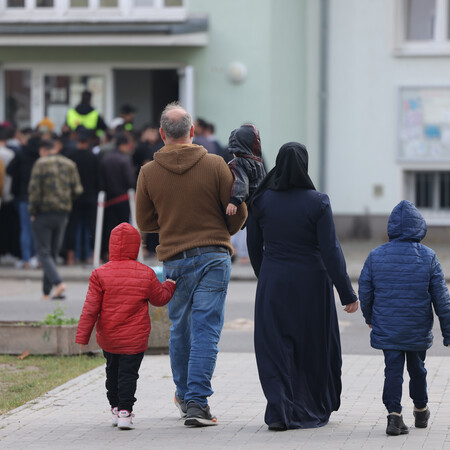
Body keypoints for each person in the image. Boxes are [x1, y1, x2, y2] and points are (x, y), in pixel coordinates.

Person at [135, 102, 247, 427]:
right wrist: (221, 232)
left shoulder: (148, 171)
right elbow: (237, 211)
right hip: (214, 256)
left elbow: (144, 220)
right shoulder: (215, 164)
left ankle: (184, 397)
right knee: (206, 329)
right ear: (192, 131)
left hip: (174, 259)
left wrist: (172, 223)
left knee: (180, 329)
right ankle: (198, 402)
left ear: (161, 134)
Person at [247, 142, 359, 431]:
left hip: (274, 279)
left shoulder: (262, 201)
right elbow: (330, 250)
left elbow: (253, 247)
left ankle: (279, 409)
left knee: (274, 345)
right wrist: (346, 292)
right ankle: (311, 404)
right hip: (312, 282)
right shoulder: (318, 201)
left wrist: (267, 276)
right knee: (312, 344)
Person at [358, 200, 450, 436]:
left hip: (388, 328)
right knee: (418, 369)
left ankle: (394, 417)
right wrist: (447, 332)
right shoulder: (428, 257)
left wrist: (370, 317)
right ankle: (420, 410)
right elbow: (442, 299)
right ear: (419, 227)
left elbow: (365, 292)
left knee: (393, 371)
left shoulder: (375, 255)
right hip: (417, 328)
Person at [75, 222, 176, 430]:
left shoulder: (99, 274)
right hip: (134, 339)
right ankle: (125, 412)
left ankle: (114, 407)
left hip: (109, 338)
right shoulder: (145, 273)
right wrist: (170, 285)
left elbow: (90, 309)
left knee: (112, 371)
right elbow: (159, 299)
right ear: (136, 246)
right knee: (128, 375)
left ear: (111, 245)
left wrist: (82, 337)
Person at [28, 139, 83, 300]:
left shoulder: (41, 163)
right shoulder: (69, 164)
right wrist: (66, 201)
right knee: (52, 252)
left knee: (43, 251)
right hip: (62, 213)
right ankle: (46, 292)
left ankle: (58, 283)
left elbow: (34, 190)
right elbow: (77, 189)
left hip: (43, 213)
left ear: (43, 150)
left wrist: (33, 210)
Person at [99, 134, 135, 260]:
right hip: (123, 198)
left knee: (109, 227)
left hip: (108, 199)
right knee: (123, 228)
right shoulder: (124, 160)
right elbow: (130, 180)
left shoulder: (105, 159)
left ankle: (109, 253)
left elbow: (101, 180)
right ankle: (122, 254)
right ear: (123, 145)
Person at [7, 133, 40, 269]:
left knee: (25, 229)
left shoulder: (21, 154)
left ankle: (26, 259)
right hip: (39, 199)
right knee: (37, 230)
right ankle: (35, 258)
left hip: (23, 196)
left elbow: (9, 169)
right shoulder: (40, 157)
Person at [66, 132, 100, 265]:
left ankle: (71, 257)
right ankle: (93, 256)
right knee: (92, 227)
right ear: (87, 142)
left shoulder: (71, 157)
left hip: (74, 198)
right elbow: (98, 178)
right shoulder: (93, 157)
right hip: (91, 197)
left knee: (72, 227)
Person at [225, 124, 266, 216]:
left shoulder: (238, 162)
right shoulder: (258, 162)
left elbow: (241, 182)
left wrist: (234, 201)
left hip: (245, 206)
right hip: (259, 204)